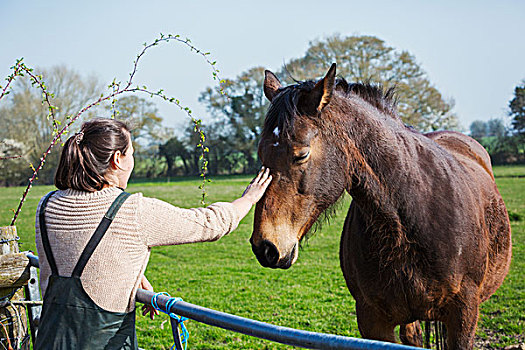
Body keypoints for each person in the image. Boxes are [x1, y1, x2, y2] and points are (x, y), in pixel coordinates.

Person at [34, 118, 272, 349]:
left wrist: (133, 275)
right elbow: (210, 224)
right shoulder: (132, 210)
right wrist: (248, 199)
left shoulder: (46, 206)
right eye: (132, 154)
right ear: (118, 159)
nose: (133, 162)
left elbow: (73, 255)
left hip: (48, 340)